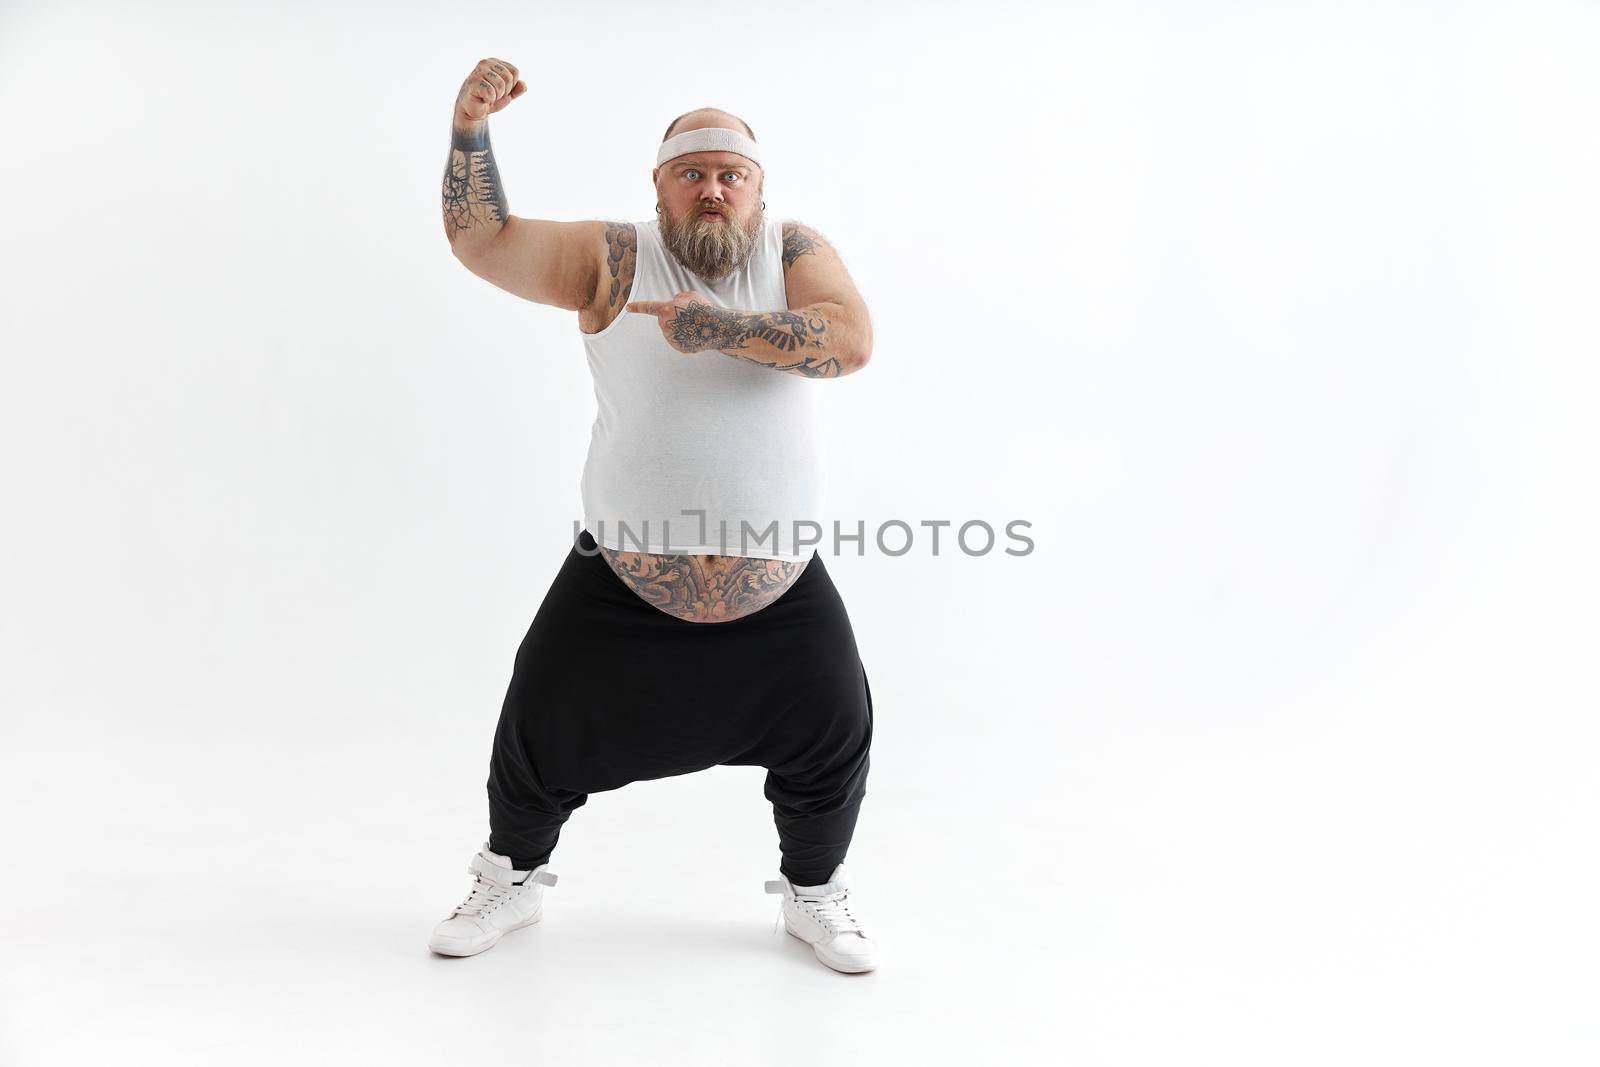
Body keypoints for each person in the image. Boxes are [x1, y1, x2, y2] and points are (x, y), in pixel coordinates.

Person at [427, 57, 879, 974]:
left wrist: (720, 329)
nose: (712, 189)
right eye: (691, 172)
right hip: (623, 584)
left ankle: (814, 894)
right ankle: (509, 880)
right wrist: (470, 132)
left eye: (730, 174)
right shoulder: (614, 255)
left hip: (779, 582)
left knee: (836, 727)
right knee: (535, 726)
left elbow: (850, 339)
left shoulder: (789, 251)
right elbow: (483, 242)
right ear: (661, 185)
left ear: (756, 190)